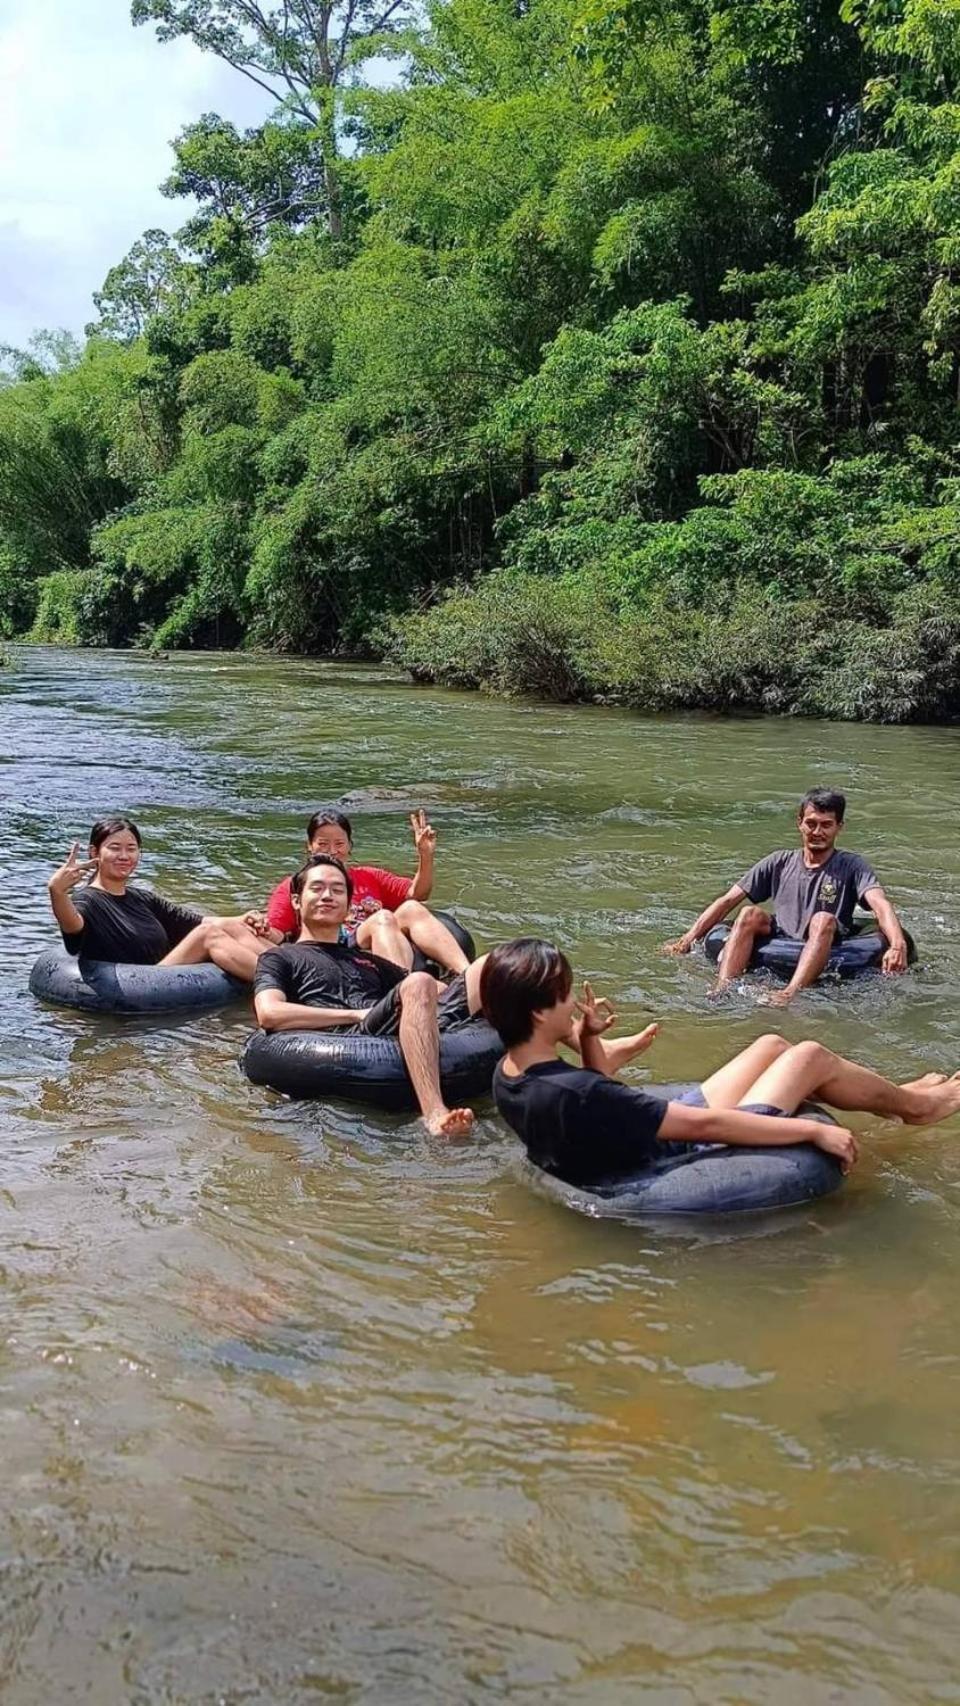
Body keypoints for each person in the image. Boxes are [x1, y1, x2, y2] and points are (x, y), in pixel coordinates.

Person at [480, 938, 960, 1191]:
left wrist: (586, 1040)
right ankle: (919, 1108)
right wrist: (814, 1132)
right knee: (809, 1055)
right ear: (540, 1012)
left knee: (772, 1044)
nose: (573, 1003)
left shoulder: (508, 1074)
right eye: (565, 995)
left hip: (632, 1143)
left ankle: (895, 1097)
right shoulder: (577, 1093)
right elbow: (703, 1123)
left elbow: (593, 1101)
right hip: (669, 1159)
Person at [254, 856, 658, 1138]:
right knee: (416, 984)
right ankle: (434, 1112)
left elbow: (431, 990)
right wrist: (357, 1015)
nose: (328, 896)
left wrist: (486, 990)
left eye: (337, 891)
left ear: (348, 905)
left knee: (491, 965)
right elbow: (269, 1014)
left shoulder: (364, 959)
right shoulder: (281, 956)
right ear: (296, 900)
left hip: (386, 1019)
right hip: (347, 1035)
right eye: (318, 889)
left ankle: (593, 1046)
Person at [661, 788, 909, 1004]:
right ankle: (722, 988)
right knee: (749, 913)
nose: (817, 831)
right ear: (799, 822)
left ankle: (789, 993)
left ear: (839, 827)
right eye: (811, 823)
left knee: (822, 918)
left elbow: (880, 904)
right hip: (783, 934)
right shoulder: (779, 861)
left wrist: (897, 945)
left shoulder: (852, 866)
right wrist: (687, 939)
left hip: (830, 941)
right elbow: (727, 901)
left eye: (826, 825)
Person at [47, 816, 280, 982]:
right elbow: (72, 924)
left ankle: (295, 965)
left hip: (162, 970)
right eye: (115, 848)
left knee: (229, 925)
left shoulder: (141, 898)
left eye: (131, 848)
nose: (124, 856)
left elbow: (194, 920)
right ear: (95, 853)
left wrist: (243, 919)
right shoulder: (88, 900)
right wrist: (57, 892)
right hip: (143, 981)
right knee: (207, 935)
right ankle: (284, 987)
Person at [266, 807, 469, 977]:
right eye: (322, 844)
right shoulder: (296, 885)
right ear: (309, 846)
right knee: (382, 918)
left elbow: (418, 894)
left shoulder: (368, 876)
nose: (331, 851)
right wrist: (259, 927)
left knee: (411, 908)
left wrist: (425, 856)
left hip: (373, 940)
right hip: (334, 950)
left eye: (339, 844)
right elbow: (275, 932)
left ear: (349, 846)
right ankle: (403, 993)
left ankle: (467, 976)